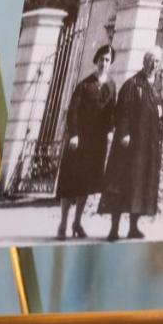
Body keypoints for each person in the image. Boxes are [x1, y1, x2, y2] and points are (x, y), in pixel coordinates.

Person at [99, 47, 163, 241]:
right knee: (121, 184)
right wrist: (123, 133)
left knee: (141, 186)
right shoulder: (132, 84)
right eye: (150, 61)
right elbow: (122, 111)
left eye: (157, 61)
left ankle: (133, 226)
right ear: (144, 62)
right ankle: (114, 229)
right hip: (130, 144)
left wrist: (162, 111)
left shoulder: (162, 83)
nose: (153, 65)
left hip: (149, 144)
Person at [54, 45, 117, 240]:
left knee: (87, 184)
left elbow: (111, 112)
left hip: (96, 144)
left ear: (110, 63)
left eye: (107, 60)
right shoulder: (84, 85)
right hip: (78, 141)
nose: (103, 63)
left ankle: (77, 223)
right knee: (70, 183)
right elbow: (72, 111)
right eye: (101, 59)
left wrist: (110, 131)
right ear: (96, 60)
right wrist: (73, 134)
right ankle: (63, 224)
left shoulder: (112, 86)